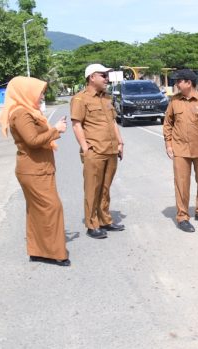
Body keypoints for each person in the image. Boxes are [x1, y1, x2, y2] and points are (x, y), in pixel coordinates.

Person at [0, 76, 70, 266]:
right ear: (25, 92)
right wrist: (55, 130)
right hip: (33, 170)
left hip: (38, 168)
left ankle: (38, 250)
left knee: (37, 211)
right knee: (52, 207)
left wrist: (53, 130)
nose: (42, 96)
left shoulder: (29, 111)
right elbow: (32, 141)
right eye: (39, 92)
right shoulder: (21, 114)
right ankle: (55, 253)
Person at [70, 64, 126, 239]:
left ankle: (105, 220)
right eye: (103, 75)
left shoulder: (107, 98)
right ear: (92, 77)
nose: (106, 79)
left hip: (110, 150)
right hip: (95, 151)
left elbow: (113, 122)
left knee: (105, 188)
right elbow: (76, 124)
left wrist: (120, 143)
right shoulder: (80, 99)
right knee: (92, 189)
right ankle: (92, 224)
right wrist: (85, 147)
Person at [163, 69, 198, 232]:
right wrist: (168, 144)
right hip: (180, 150)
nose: (176, 84)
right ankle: (182, 217)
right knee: (181, 184)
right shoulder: (174, 101)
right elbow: (168, 124)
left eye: (179, 81)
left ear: (188, 82)